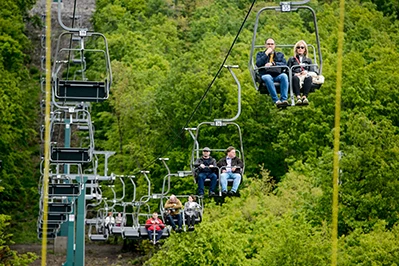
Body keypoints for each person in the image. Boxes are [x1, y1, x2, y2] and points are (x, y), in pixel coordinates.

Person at [256, 38, 289, 107]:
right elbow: (258, 64)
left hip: (277, 75)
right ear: (265, 45)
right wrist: (266, 54)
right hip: (266, 74)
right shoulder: (260, 54)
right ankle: (276, 100)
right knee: (267, 77)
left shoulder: (279, 55)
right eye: (268, 44)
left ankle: (284, 100)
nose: (270, 46)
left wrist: (274, 64)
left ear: (274, 46)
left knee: (284, 76)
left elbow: (284, 64)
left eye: (272, 44)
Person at [287, 40, 315, 105]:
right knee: (295, 78)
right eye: (298, 47)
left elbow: (312, 70)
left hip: (305, 75)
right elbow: (288, 70)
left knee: (309, 78)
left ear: (305, 49)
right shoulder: (292, 59)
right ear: (296, 49)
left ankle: (304, 96)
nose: (300, 49)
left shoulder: (308, 60)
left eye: (302, 47)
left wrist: (306, 72)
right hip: (296, 76)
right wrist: (295, 73)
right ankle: (298, 96)